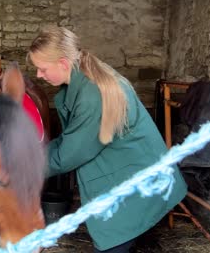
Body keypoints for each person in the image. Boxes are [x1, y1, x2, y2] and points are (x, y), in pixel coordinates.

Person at [27, 25, 188, 252]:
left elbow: (71, 153)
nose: (38, 75)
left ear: (63, 63)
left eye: (42, 69)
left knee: (112, 244)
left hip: (134, 181)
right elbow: (71, 140)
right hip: (128, 176)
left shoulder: (93, 94)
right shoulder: (85, 77)